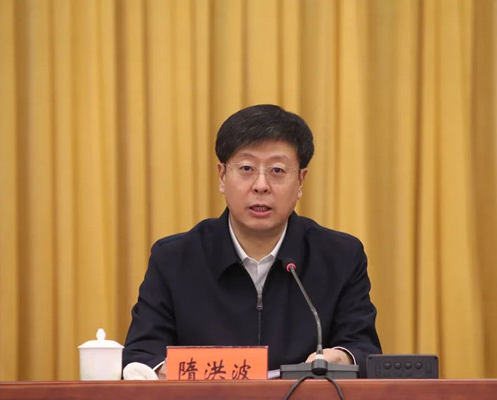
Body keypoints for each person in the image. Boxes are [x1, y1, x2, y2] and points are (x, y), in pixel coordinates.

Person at [122, 104, 381, 379]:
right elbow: (141, 354)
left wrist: (342, 357)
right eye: (246, 168)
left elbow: (364, 350)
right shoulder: (175, 259)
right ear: (222, 176)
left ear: (300, 181)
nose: (261, 185)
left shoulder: (340, 257)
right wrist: (174, 373)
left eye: (277, 170)